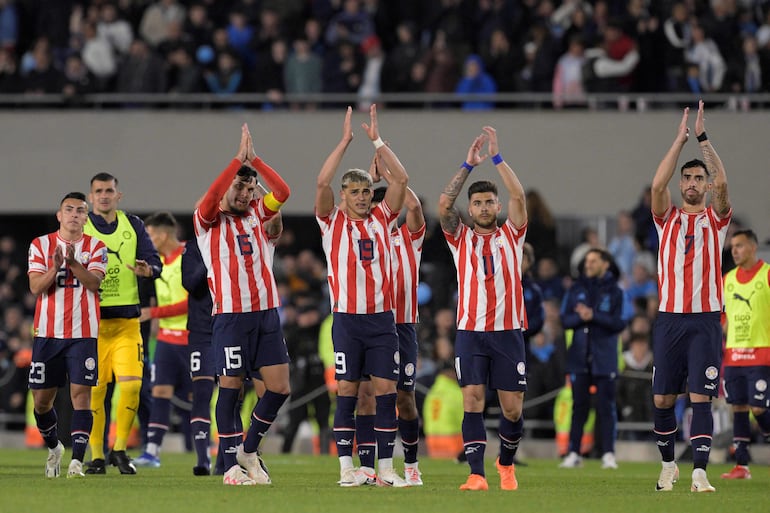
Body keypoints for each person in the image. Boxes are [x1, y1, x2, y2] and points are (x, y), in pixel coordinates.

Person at [315, 104, 409, 488]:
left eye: (366, 191)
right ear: (344, 195)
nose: (361, 197)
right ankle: (346, 469)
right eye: (354, 192)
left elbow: (402, 180)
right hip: (347, 321)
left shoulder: (383, 218)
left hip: (381, 320)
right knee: (347, 393)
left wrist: (378, 141)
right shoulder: (331, 221)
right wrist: (344, 142)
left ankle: (385, 469)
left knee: (386, 393)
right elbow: (321, 183)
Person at [193, 123, 291, 486]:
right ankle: (230, 467)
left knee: (279, 388)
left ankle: (248, 451)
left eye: (250, 189)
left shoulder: (256, 215)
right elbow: (212, 196)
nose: (246, 194)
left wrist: (256, 161)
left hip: (266, 314)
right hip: (231, 316)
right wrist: (236, 161)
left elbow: (282, 192)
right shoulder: (207, 220)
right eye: (239, 187)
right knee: (231, 388)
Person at [438, 126, 527, 491]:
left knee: (512, 409)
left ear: (497, 206)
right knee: (472, 400)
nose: (484, 207)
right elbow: (444, 206)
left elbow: (519, 195)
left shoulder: (512, 234)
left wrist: (497, 158)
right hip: (471, 332)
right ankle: (476, 474)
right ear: (471, 209)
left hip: (507, 332)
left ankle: (506, 463)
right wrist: (468, 165)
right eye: (477, 203)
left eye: (490, 202)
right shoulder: (460, 238)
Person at [651, 100, 731, 493]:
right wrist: (679, 141)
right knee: (663, 400)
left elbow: (725, 185)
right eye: (688, 178)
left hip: (704, 320)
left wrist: (702, 138)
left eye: (700, 178)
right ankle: (669, 466)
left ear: (707, 185)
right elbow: (656, 186)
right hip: (669, 319)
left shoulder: (716, 220)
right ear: (681, 185)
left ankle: (699, 471)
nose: (694, 183)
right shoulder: (666, 219)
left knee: (701, 397)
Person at [84, 173, 163, 475]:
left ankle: (118, 450)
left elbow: (155, 262)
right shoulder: (82, 227)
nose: (104, 195)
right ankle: (97, 456)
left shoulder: (134, 225)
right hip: (93, 326)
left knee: (131, 387)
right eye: (98, 191)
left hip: (127, 325)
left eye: (109, 190)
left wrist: (148, 270)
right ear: (91, 197)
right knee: (96, 392)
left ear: (119, 195)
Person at [355, 155, 426, 486]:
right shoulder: (362, 238)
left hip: (401, 326)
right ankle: (367, 467)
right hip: (369, 322)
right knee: (366, 396)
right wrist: (371, 184)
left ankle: (411, 463)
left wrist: (391, 179)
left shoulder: (409, 239)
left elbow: (415, 209)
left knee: (404, 399)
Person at [27, 192, 108, 478]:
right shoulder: (40, 244)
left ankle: (76, 461)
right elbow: (36, 288)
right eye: (69, 209)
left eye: (80, 210)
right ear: (59, 215)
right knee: (41, 402)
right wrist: (55, 267)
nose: (74, 214)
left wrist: (73, 264)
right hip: (48, 334)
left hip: (83, 334)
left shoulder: (97, 246)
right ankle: (54, 447)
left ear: (86, 217)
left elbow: (95, 283)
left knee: (81, 396)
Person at [558, 248, 626, 469]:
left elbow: (620, 322)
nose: (588, 264)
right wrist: (583, 317)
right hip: (579, 357)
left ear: (605, 264)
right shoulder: (575, 289)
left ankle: (608, 453)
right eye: (587, 261)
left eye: (593, 261)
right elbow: (564, 319)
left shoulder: (615, 291)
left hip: (604, 358)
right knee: (579, 407)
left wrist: (593, 316)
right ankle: (573, 452)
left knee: (607, 408)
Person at [133, 212, 190, 468]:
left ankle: (202, 452)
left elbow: (192, 303)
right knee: (159, 393)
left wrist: (154, 313)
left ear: (164, 235)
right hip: (166, 339)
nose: (147, 241)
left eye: (150, 235)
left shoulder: (189, 257)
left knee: (194, 400)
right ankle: (152, 452)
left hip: (191, 338)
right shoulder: (158, 264)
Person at [720, 229, 770, 480]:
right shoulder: (727, 279)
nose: (735, 251)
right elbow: (722, 314)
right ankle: (742, 465)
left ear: (753, 247)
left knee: (758, 408)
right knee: (738, 407)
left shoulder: (767, 274)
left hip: (761, 352)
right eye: (733, 247)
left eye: (739, 245)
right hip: (734, 354)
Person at [179, 235, 217, 476]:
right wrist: (210, 257)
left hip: (230, 325)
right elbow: (191, 283)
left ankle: (228, 457)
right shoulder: (193, 248)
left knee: (232, 393)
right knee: (201, 393)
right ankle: (203, 458)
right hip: (202, 331)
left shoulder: (233, 240)